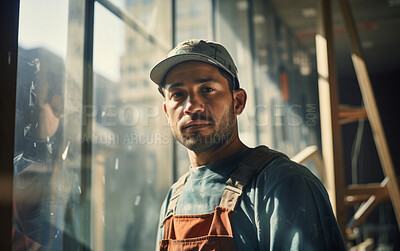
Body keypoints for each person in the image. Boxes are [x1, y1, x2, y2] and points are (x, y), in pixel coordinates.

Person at [150, 39, 346, 250]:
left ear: (238, 102)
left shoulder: (282, 184)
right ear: (166, 112)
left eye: (207, 89)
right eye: (178, 94)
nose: (192, 106)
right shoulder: (174, 199)